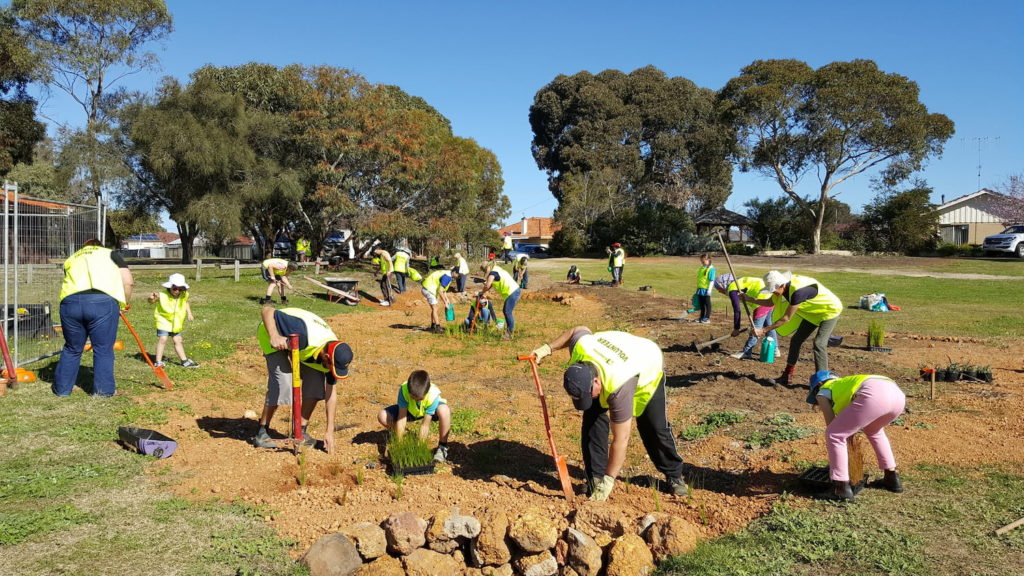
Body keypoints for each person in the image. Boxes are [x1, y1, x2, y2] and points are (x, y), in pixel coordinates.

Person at [529, 326, 687, 500]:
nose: (588, 399)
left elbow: (621, 439)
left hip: (646, 361)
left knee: (653, 427)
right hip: (615, 351)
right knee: (592, 418)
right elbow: (578, 330)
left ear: (596, 380)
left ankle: (674, 475)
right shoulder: (582, 348)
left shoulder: (619, 386)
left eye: (589, 394)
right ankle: (595, 478)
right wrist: (547, 348)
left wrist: (609, 480)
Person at [252, 305, 353, 453]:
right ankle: (262, 432)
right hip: (274, 332)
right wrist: (274, 335)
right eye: (330, 366)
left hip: (301, 347)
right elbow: (267, 310)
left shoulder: (335, 353)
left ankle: (300, 431)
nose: (331, 370)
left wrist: (329, 431)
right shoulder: (302, 331)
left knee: (316, 385)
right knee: (283, 382)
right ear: (326, 357)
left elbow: (331, 394)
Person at [807, 370, 905, 501]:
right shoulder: (845, 384)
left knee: (834, 434)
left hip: (874, 395)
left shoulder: (823, 391)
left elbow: (832, 426)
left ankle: (840, 488)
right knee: (874, 431)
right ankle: (892, 478)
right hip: (897, 395)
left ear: (817, 386)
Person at [53, 239, 134, 397]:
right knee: (103, 349)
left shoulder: (72, 258)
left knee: (72, 348)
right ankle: (103, 391)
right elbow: (128, 282)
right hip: (102, 303)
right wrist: (124, 304)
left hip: (70, 304)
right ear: (100, 246)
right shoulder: (111, 254)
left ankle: (62, 390)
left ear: (84, 247)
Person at [750, 271, 843, 386]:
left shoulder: (798, 292)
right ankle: (787, 376)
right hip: (812, 313)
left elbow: (786, 318)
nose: (773, 292)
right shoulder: (783, 287)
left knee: (819, 343)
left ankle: (823, 381)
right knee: (796, 340)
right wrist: (749, 299)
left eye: (774, 289)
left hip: (829, 310)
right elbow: (769, 302)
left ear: (782, 285)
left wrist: (763, 330)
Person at [376, 369, 451, 463]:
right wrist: (399, 444)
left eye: (419, 399)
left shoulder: (433, 396)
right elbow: (401, 418)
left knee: (444, 411)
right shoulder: (404, 390)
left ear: (426, 393)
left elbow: (425, 425)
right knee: (382, 416)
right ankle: (405, 437)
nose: (416, 400)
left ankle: (442, 447)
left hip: (428, 412)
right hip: (410, 411)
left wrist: (420, 446)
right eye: (413, 398)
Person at [713, 273, 777, 360]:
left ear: (723, 285)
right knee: (768, 324)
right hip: (771, 297)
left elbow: (737, 310)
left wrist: (736, 328)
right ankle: (775, 349)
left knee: (756, 329)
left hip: (762, 300)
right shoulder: (738, 282)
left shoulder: (732, 288)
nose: (719, 291)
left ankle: (746, 352)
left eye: (719, 288)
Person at [147, 273, 198, 368]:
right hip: (164, 321)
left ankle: (185, 361)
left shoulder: (184, 295)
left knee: (178, 340)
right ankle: (158, 362)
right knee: (163, 339)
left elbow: (186, 302)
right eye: (175, 288)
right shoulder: (162, 295)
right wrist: (151, 299)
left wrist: (189, 313)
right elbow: (152, 301)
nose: (177, 291)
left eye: (181, 289)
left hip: (177, 322)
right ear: (170, 287)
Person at [477, 262, 520, 340]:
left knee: (507, 311)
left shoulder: (493, 273)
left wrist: (482, 292)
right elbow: (491, 285)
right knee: (506, 311)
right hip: (513, 291)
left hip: (512, 292)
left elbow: (488, 285)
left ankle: (509, 333)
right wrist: (484, 292)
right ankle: (509, 330)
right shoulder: (497, 269)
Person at [421, 267, 454, 334]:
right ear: (455, 272)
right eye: (459, 275)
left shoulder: (447, 274)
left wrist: (446, 299)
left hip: (428, 288)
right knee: (435, 308)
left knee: (434, 308)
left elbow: (443, 290)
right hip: (428, 289)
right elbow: (440, 291)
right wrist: (445, 303)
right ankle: (438, 328)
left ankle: (433, 326)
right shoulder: (447, 277)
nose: (459, 277)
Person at [694, 253, 715, 323]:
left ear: (708, 260)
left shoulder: (711, 269)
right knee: (701, 305)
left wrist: (709, 290)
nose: (702, 263)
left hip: (706, 290)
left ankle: (707, 318)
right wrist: (698, 288)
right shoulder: (702, 268)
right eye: (701, 262)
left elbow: (711, 281)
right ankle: (701, 317)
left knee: (707, 304)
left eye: (703, 262)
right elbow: (700, 279)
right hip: (700, 289)